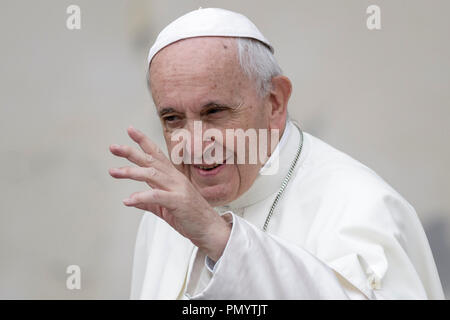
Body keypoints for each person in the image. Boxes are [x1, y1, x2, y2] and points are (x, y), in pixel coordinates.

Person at [109, 8, 444, 299]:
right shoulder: (166, 215)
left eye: (214, 112)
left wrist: (223, 242)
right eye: (172, 119)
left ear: (274, 103)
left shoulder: (363, 206)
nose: (194, 144)